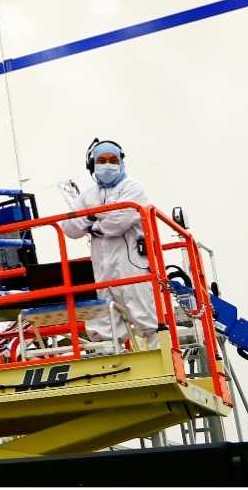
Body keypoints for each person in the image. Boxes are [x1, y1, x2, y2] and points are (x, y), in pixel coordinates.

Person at [60, 139, 159, 351]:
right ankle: (110, 360)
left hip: (132, 265)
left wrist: (91, 220)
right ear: (92, 165)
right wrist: (95, 216)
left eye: (112, 160)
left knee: (146, 315)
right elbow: (69, 227)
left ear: (121, 163)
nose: (107, 165)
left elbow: (119, 221)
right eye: (102, 160)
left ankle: (160, 356)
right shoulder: (88, 195)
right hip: (102, 268)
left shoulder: (133, 187)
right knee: (103, 318)